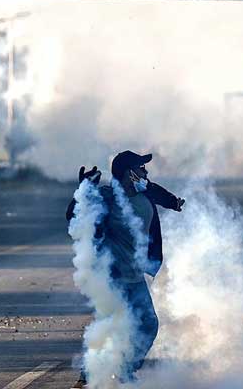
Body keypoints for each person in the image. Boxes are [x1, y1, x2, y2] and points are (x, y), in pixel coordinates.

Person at [67, 151, 185, 388]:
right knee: (112, 326)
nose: (146, 172)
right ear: (129, 173)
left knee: (148, 325)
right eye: (141, 168)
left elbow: (157, 192)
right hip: (113, 275)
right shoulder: (107, 197)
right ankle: (88, 377)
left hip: (134, 275)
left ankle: (125, 370)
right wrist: (83, 190)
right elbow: (74, 216)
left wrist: (173, 202)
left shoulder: (144, 192)